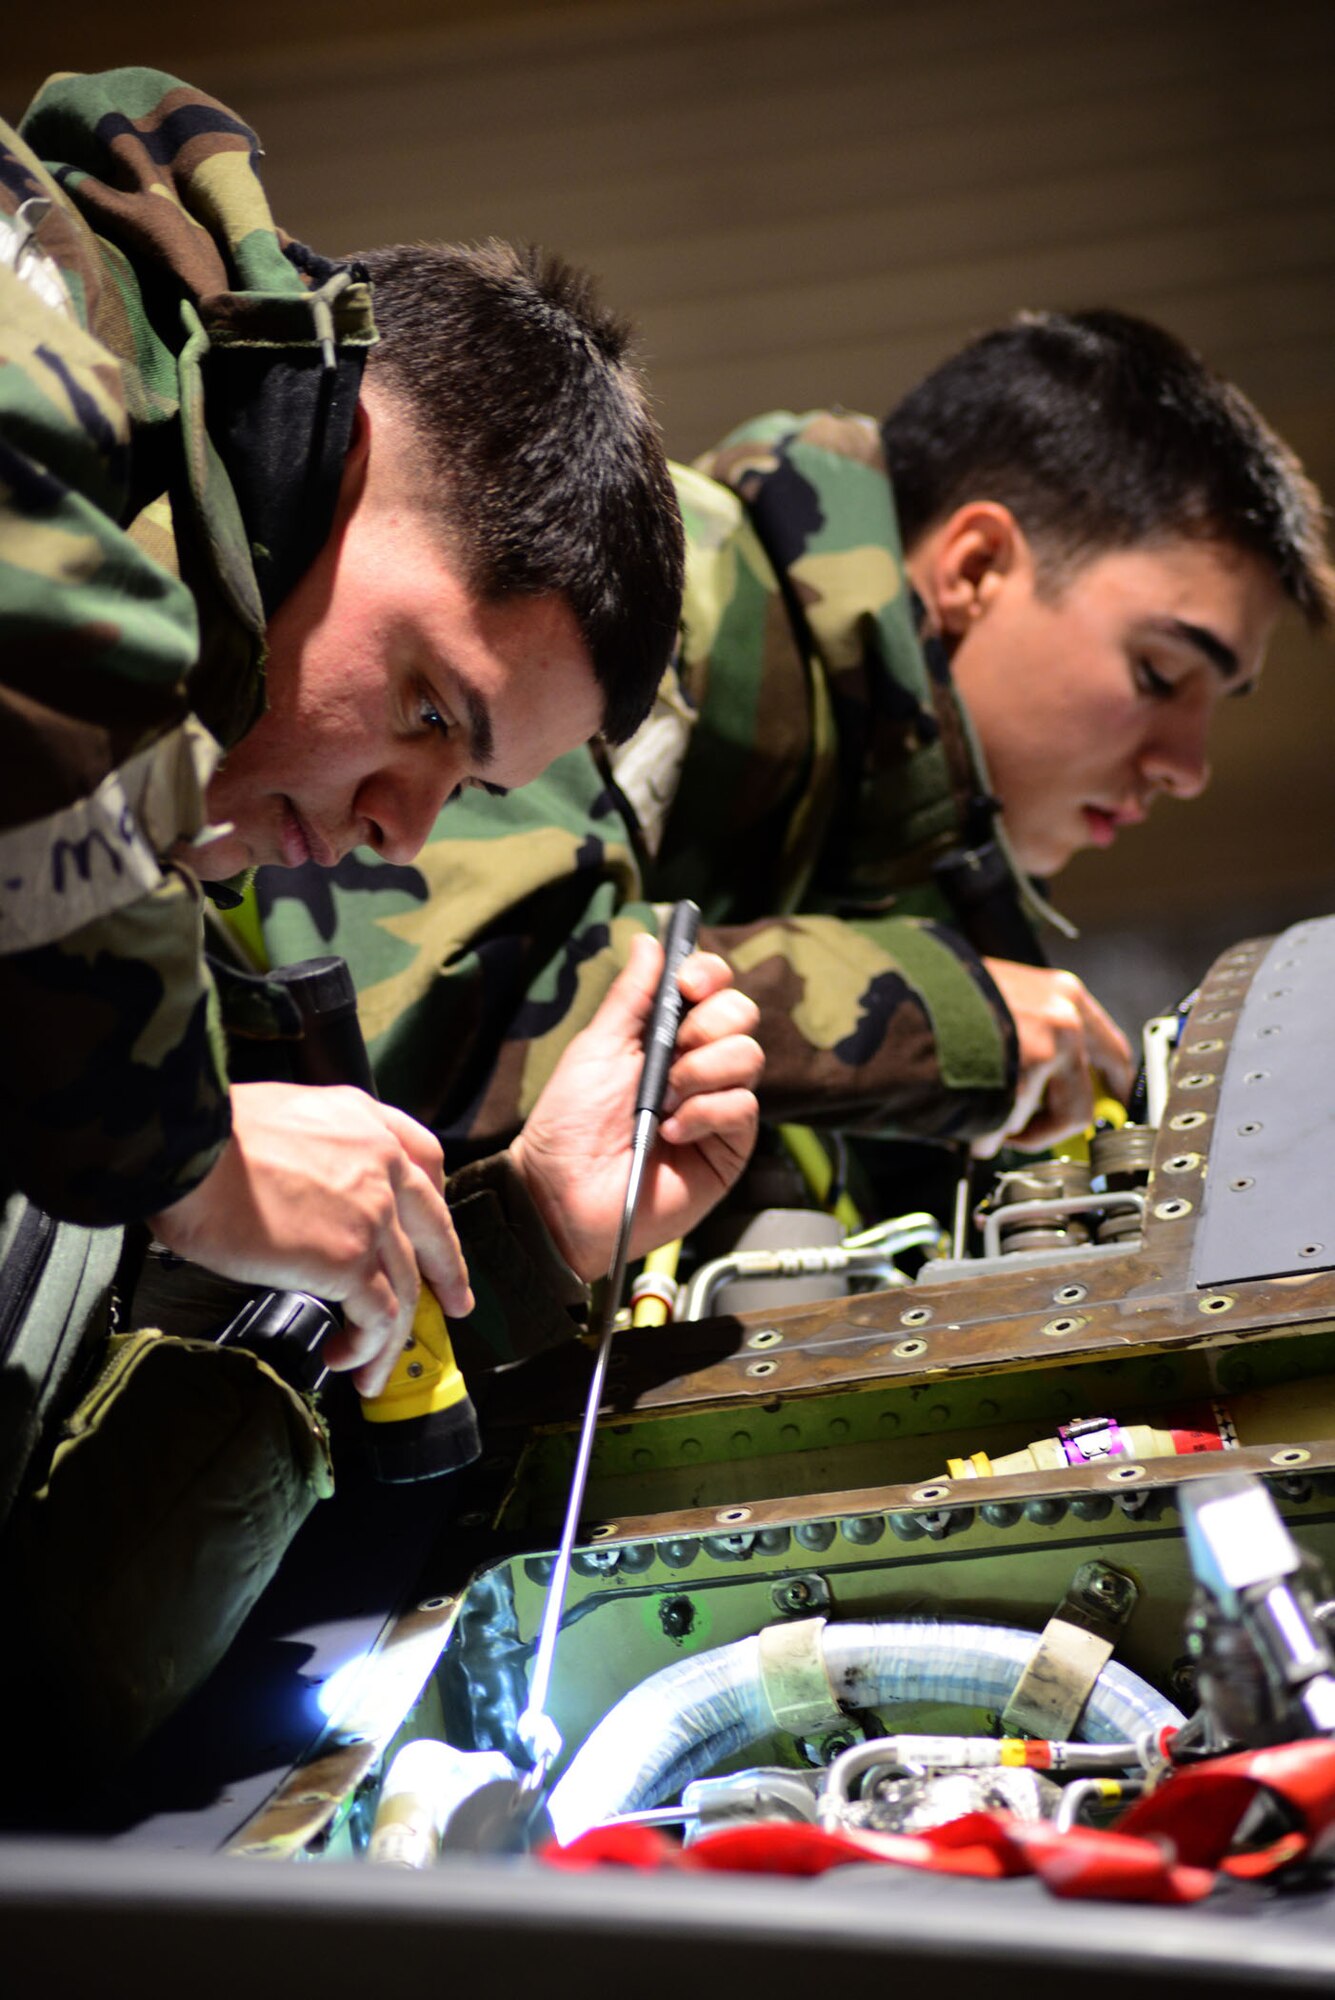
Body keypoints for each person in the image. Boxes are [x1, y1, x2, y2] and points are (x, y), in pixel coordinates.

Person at [0, 66, 762, 1403]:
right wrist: (187, 1152)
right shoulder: (42, 312)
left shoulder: (135, 908)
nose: (396, 832)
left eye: (462, 786)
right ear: (338, 456)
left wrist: (535, 1227)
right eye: (428, 709)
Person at [250, 308, 1335, 1205]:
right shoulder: (662, 604)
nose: (1188, 765)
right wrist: (940, 1016)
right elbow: (427, 1009)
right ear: (975, 568)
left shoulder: (900, 859)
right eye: (1159, 672)